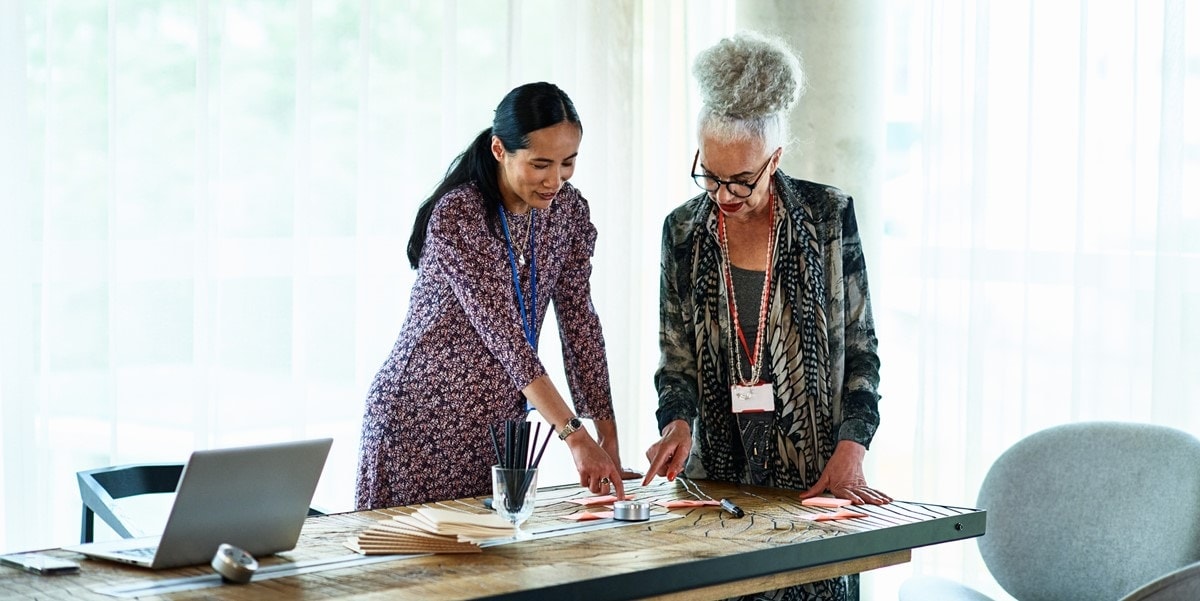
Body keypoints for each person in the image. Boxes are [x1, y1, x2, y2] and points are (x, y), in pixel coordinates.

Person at [642, 33, 891, 601]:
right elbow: (675, 358)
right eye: (708, 174)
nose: (722, 194)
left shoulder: (828, 218)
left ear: (775, 160)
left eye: (740, 180)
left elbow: (862, 351)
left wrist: (853, 448)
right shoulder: (682, 232)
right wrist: (676, 424)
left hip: (814, 477)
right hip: (716, 484)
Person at [356, 82, 636, 510]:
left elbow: (581, 326)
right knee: (411, 570)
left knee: (493, 571)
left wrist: (608, 440)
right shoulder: (460, 215)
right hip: (419, 422)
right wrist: (575, 436)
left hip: (498, 432)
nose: (554, 180)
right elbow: (506, 337)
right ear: (500, 150)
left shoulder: (568, 213)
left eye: (568, 163)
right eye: (540, 164)